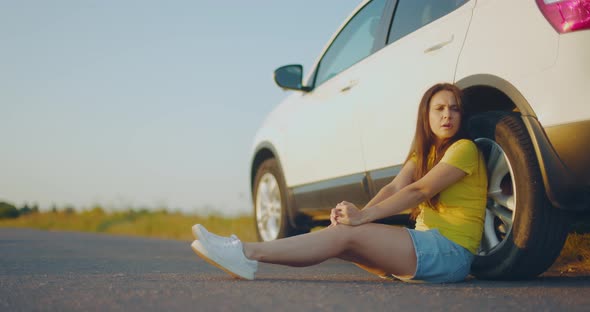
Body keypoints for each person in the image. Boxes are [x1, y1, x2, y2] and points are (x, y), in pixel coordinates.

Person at [191, 82, 488, 283]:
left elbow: (419, 190)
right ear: (426, 114)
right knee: (340, 238)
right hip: (426, 250)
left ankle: (246, 253)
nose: (447, 115)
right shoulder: (424, 153)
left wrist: (364, 218)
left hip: (450, 253)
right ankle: (246, 254)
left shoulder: (464, 149)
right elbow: (395, 187)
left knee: (343, 236)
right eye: (439, 108)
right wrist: (354, 219)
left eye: (454, 108)